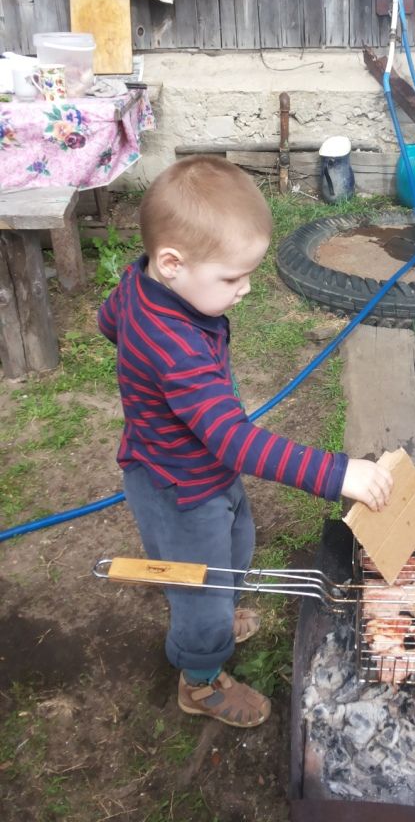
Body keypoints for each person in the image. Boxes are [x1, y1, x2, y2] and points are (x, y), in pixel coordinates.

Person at [98, 155, 393, 728]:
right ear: (173, 264)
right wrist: (340, 474)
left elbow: (109, 321)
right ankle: (200, 679)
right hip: (179, 489)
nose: (246, 290)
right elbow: (235, 442)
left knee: (235, 548)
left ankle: (220, 607)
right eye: (231, 278)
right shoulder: (177, 349)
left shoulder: (142, 282)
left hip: (196, 467)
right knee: (201, 589)